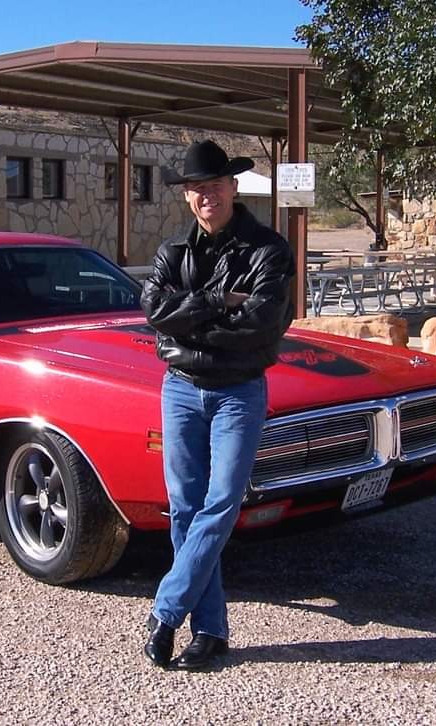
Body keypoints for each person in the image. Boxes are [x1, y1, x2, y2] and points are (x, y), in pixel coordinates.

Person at [139, 139, 295, 670]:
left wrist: (190, 328)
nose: (207, 194)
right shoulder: (171, 252)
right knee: (184, 507)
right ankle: (211, 630)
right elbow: (155, 313)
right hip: (180, 390)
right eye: (196, 188)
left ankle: (166, 611)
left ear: (233, 186)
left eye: (215, 185)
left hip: (238, 392)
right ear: (186, 196)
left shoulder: (268, 249)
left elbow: (262, 325)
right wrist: (213, 303)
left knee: (221, 503)